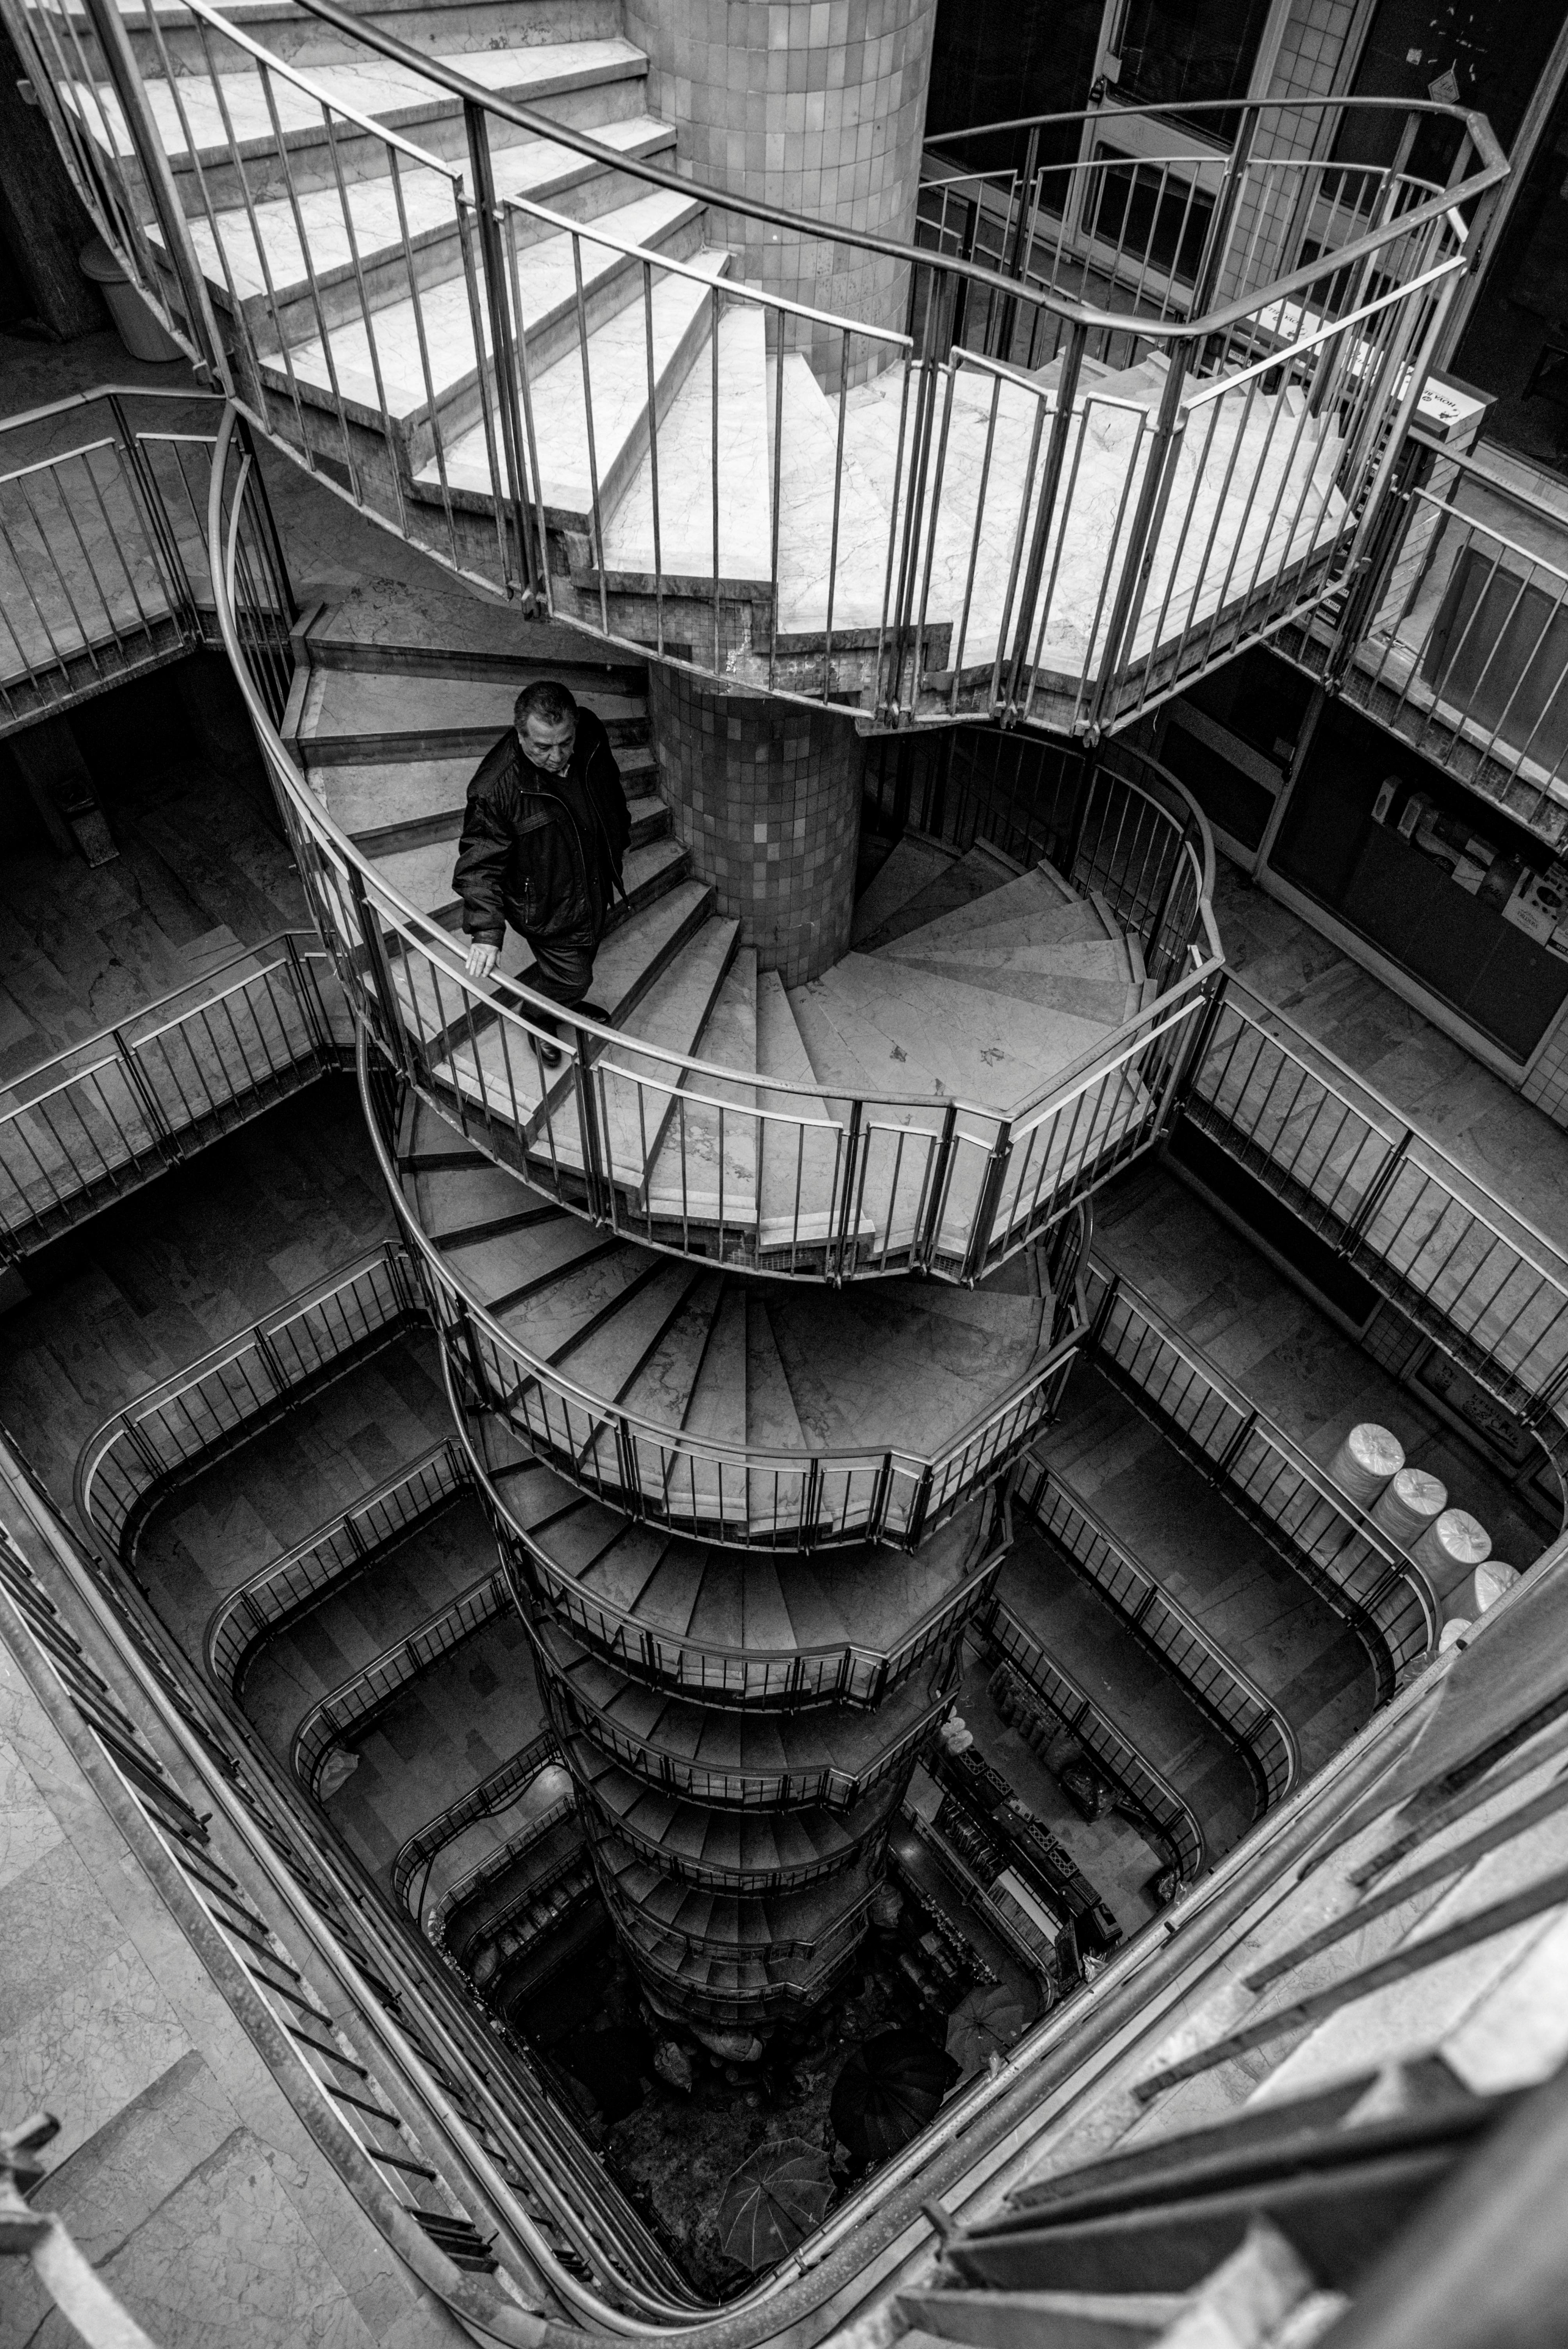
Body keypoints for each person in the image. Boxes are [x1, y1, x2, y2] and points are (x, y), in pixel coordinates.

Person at [453, 678, 631, 1069]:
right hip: (549, 902)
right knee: (573, 978)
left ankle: (559, 1007)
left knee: (586, 951)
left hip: (594, 881)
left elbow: (608, 789)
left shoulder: (591, 733)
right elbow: (478, 865)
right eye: (542, 747)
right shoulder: (495, 789)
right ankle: (537, 1013)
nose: (557, 756)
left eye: (565, 742)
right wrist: (486, 932)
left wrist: (620, 830)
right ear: (520, 736)